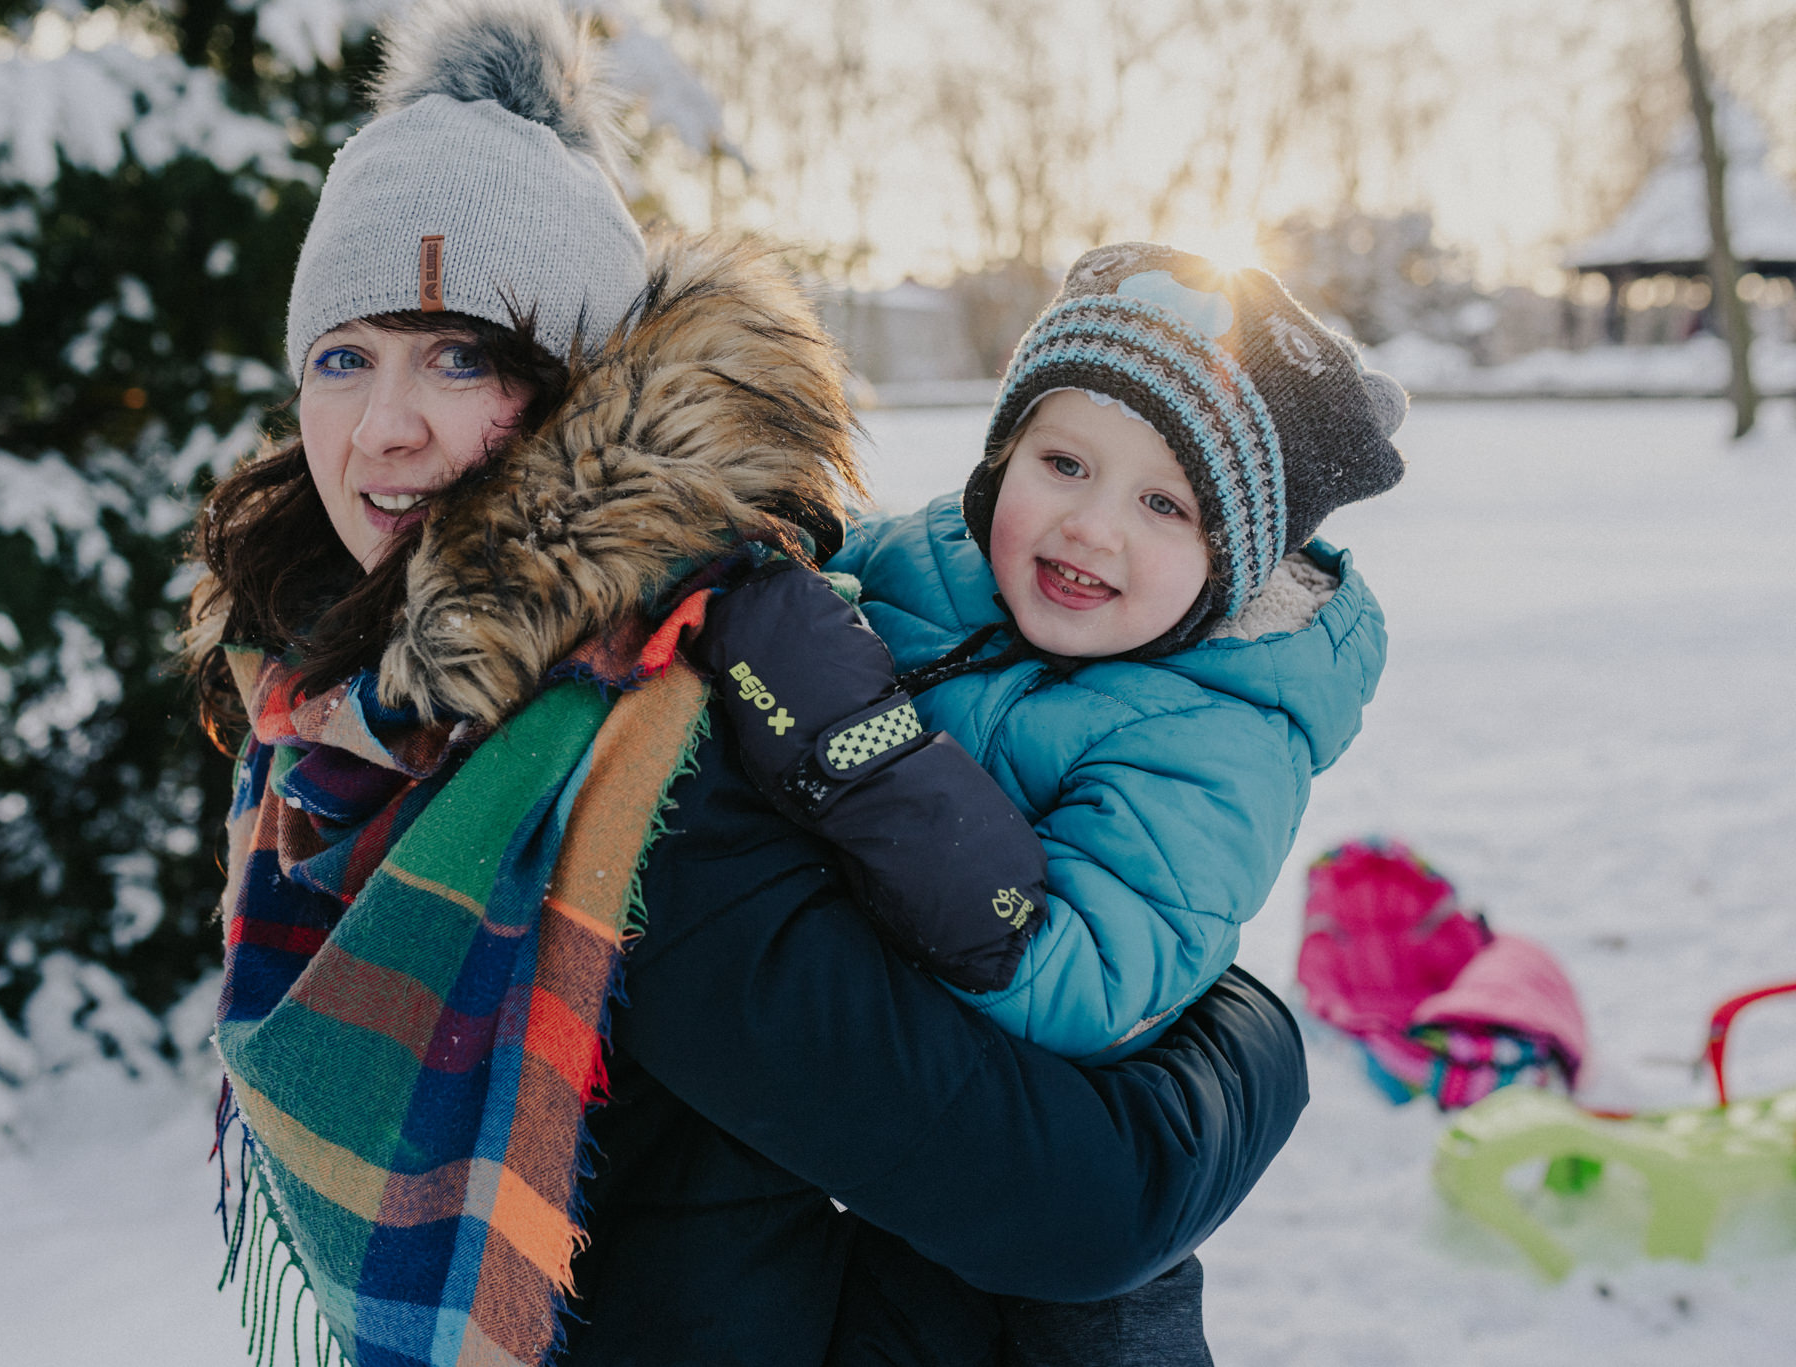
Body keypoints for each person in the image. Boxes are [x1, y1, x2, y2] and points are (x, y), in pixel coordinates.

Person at [182, 5, 1310, 1366]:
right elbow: (1093, 1192)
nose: (387, 424)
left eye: (462, 354)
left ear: (582, 392)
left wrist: (1252, 1031)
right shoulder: (326, 703)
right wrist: (1251, 1033)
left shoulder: (638, 749)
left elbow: (1067, 1202)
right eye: (343, 357)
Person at [686, 241, 1406, 1364]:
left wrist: (860, 750)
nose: (1090, 526)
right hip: (860, 1161)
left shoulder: (1213, 738)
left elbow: (1077, 983)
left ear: (1235, 562)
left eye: (1165, 503)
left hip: (1052, 1228)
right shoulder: (923, 560)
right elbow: (788, 610)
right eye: (1062, 462)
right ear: (999, 456)